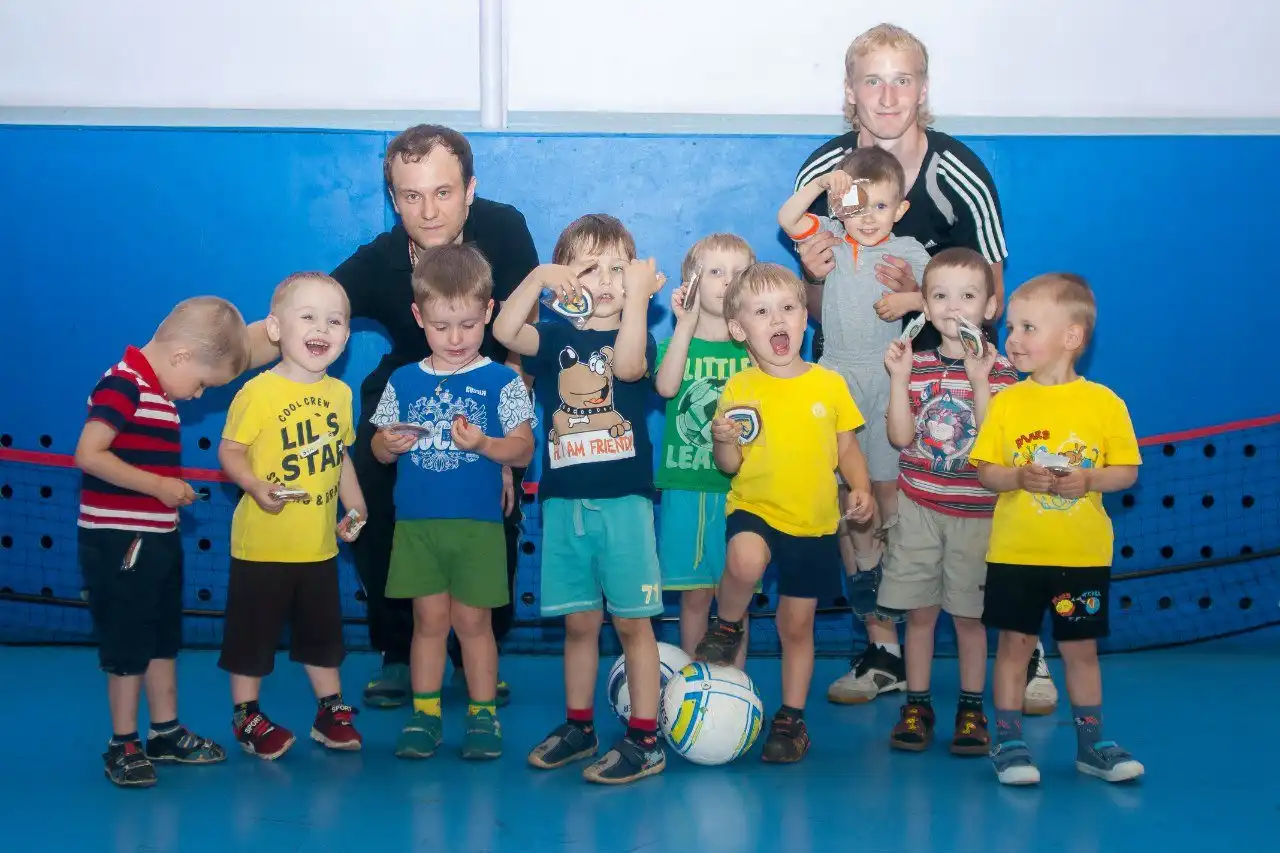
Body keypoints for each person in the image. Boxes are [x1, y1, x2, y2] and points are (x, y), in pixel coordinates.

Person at [795, 22, 1056, 713]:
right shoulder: (825, 174)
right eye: (873, 80)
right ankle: (882, 647)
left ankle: (1024, 650)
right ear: (850, 91)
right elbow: (819, 306)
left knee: (983, 506)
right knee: (860, 505)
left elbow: (992, 299)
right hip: (856, 375)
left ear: (923, 89)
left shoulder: (958, 173)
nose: (887, 96)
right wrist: (814, 272)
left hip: (955, 380)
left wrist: (924, 303)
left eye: (902, 80)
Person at [244, 125, 539, 709]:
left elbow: (522, 343)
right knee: (375, 506)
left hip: (489, 392)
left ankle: (475, 656)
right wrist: (209, 354)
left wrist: (505, 447)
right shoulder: (380, 261)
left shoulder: (505, 231)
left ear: (469, 190)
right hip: (406, 391)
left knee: (495, 514)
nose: (428, 211)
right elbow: (302, 314)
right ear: (394, 198)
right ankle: (398, 652)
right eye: (411, 196)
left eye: (443, 192)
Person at [494, 214, 668, 785]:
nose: (608, 280)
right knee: (579, 624)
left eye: (620, 268)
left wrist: (638, 301)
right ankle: (579, 726)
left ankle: (645, 739)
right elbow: (504, 331)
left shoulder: (637, 336)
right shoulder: (552, 340)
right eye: (591, 269)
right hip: (564, 505)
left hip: (624, 506)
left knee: (634, 625)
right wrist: (539, 276)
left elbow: (628, 366)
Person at [695, 263, 875, 764]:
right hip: (755, 507)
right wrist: (722, 440)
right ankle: (727, 623)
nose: (777, 320)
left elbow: (847, 448)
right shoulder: (739, 388)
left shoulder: (829, 384)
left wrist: (861, 486)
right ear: (739, 330)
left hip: (813, 524)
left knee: (797, 626)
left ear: (804, 317)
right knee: (745, 560)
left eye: (788, 308)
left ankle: (791, 718)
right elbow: (730, 465)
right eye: (761, 312)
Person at [971, 273, 1144, 785]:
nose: (1013, 338)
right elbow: (986, 471)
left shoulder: (1105, 403)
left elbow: (1126, 472)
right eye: (1011, 327)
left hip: (1081, 558)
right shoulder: (1007, 402)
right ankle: (1008, 743)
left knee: (1080, 650)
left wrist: (1088, 479)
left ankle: (1092, 747)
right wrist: (1018, 477)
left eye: (1028, 327)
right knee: (1014, 647)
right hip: (1016, 555)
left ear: (1072, 337)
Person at [368, 244, 535, 761]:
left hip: (477, 528)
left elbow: (523, 448)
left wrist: (485, 445)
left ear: (489, 312)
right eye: (442, 326)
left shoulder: (502, 381)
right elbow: (377, 448)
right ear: (419, 317)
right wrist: (387, 444)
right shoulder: (402, 381)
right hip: (417, 528)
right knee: (428, 624)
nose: (456, 338)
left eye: (468, 324)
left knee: (474, 625)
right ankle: (425, 716)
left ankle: (482, 716)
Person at [74, 296, 248, 786]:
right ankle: (123, 741)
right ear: (181, 356)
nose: (198, 395)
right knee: (128, 642)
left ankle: (164, 731)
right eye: (201, 383)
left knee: (161, 637)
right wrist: (158, 486)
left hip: (157, 538)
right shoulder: (122, 385)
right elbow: (89, 453)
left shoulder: (159, 392)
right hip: (119, 542)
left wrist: (168, 496)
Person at [779, 147, 931, 664]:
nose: (867, 218)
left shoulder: (908, 250)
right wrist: (824, 184)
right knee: (849, 486)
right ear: (840, 207)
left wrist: (911, 299)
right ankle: (867, 572)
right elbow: (788, 218)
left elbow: (945, 295)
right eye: (857, 206)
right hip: (836, 376)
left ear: (900, 210)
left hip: (886, 377)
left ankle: (898, 570)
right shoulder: (829, 238)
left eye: (880, 207)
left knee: (887, 485)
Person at [218, 273, 368, 759]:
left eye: (334, 321)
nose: (322, 328)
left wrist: (357, 506)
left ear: (346, 336)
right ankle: (246, 716)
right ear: (275, 328)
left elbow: (340, 456)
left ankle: (330, 711)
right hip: (261, 549)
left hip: (318, 550)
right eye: (308, 317)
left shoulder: (340, 395)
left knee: (323, 638)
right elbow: (230, 451)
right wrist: (253, 485)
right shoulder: (257, 392)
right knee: (252, 639)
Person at [878, 249, 1018, 755]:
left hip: (977, 516)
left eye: (967, 296)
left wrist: (979, 381)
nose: (952, 306)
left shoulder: (1003, 373)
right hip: (918, 508)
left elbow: (995, 446)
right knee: (920, 614)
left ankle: (970, 708)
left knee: (969, 619)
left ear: (990, 306)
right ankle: (917, 704)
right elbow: (899, 438)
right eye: (939, 295)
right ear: (925, 304)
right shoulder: (915, 366)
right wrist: (898, 379)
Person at [654, 233, 755, 659]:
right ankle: (692, 680)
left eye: (739, 273)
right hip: (687, 486)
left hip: (745, 491)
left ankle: (736, 683)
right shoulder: (676, 344)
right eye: (715, 272)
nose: (728, 281)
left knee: (736, 601)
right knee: (695, 598)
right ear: (692, 283)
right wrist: (685, 324)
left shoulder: (755, 352)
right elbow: (666, 387)